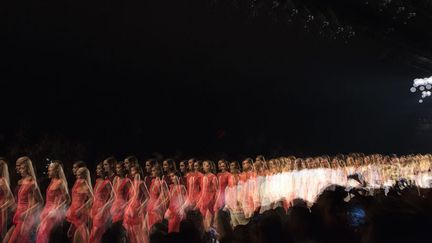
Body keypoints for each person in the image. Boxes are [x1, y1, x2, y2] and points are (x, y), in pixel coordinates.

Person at [5, 156, 43, 243]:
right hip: (18, 214)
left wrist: (26, 213)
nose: (19, 169)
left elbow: (40, 201)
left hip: (25, 217)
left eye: (22, 167)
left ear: (27, 168)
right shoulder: (21, 182)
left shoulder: (32, 183)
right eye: (19, 167)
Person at [36, 161, 70, 243]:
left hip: (54, 212)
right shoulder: (52, 182)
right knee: (41, 234)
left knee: (46, 234)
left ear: (55, 171)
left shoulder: (60, 182)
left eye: (50, 170)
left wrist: (56, 209)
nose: (48, 172)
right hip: (47, 210)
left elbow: (68, 199)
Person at [66, 167, 92, 243]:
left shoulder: (84, 182)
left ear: (84, 175)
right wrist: (71, 227)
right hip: (74, 212)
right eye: (77, 174)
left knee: (79, 236)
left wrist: (81, 209)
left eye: (80, 174)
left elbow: (92, 198)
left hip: (80, 212)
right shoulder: (77, 182)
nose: (77, 175)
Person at [89, 163, 114, 243]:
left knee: (96, 233)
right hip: (94, 208)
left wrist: (104, 208)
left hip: (101, 209)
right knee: (94, 233)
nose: (97, 170)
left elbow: (113, 197)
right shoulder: (98, 181)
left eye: (99, 169)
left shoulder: (107, 183)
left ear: (103, 170)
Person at [123, 165, 149, 243]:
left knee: (137, 231)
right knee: (130, 231)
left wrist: (141, 207)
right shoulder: (131, 183)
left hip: (137, 207)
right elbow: (131, 196)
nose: (132, 173)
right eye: (132, 171)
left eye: (134, 171)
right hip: (130, 207)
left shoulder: (141, 183)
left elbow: (148, 197)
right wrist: (126, 204)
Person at [145, 163, 169, 234]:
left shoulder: (162, 182)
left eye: (154, 170)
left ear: (158, 171)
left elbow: (167, 196)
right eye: (152, 171)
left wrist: (160, 206)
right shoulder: (152, 181)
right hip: (150, 205)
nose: (152, 172)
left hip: (156, 207)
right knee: (149, 228)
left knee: (156, 227)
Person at [196, 160, 218, 231]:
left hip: (210, 201)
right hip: (203, 200)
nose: (205, 167)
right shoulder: (203, 177)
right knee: (202, 222)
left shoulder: (213, 177)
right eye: (204, 165)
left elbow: (216, 191)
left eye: (207, 165)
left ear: (210, 167)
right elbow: (202, 190)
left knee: (209, 222)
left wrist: (214, 202)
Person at [0, 158, 15, 241]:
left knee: (2, 234)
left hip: (1, 210)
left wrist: (2, 207)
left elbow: (11, 199)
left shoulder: (3, 181)